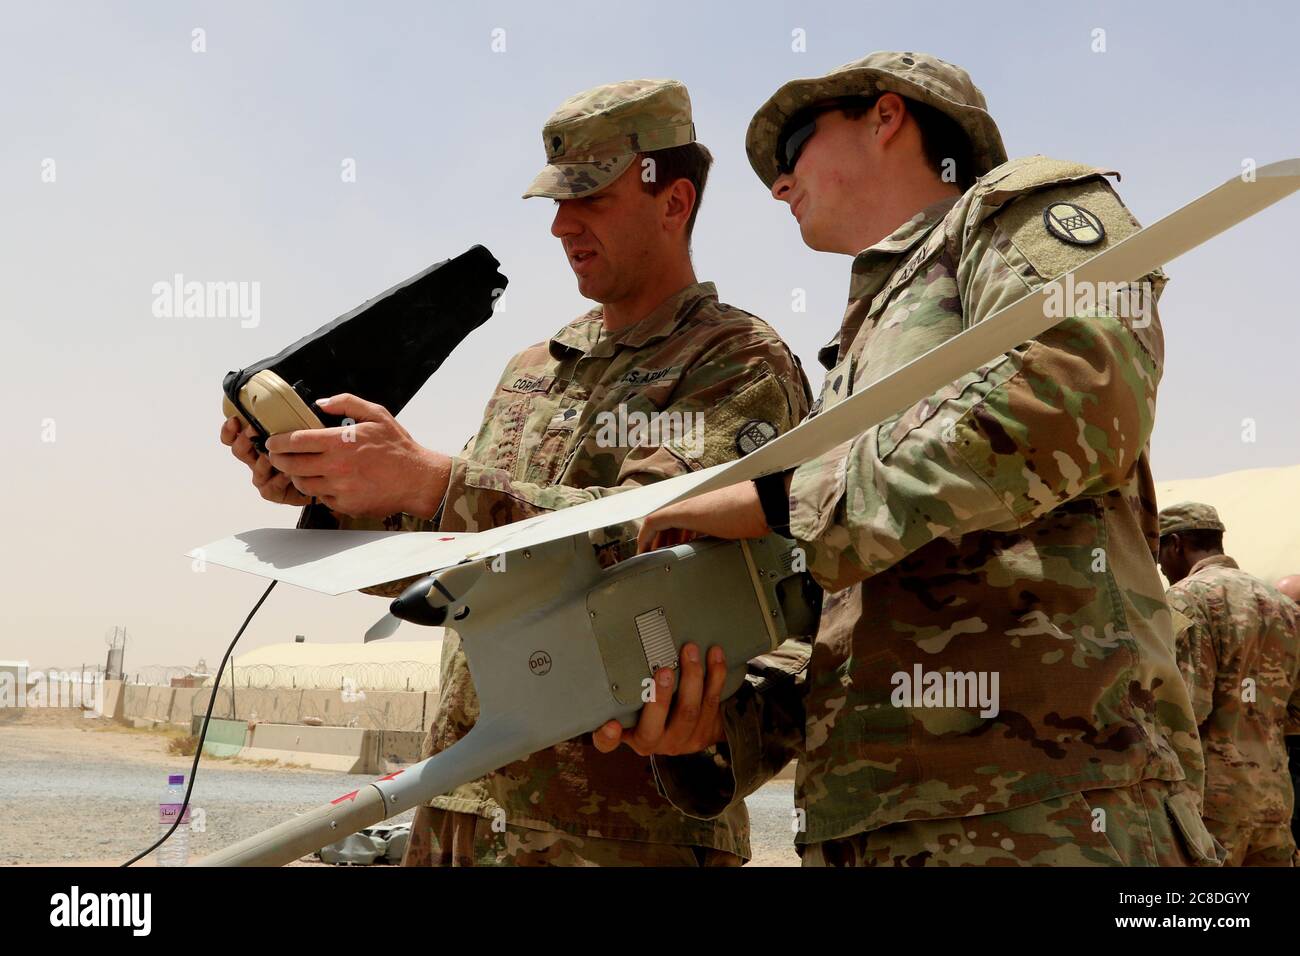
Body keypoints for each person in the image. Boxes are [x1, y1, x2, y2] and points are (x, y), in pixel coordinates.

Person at [596, 50, 1221, 866]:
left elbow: (1080, 391)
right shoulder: (856, 350)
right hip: (868, 829)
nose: (779, 187)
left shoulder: (1013, 211)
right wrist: (712, 724)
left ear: (887, 118)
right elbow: (843, 613)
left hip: (1049, 814)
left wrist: (786, 497)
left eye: (791, 153)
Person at [220, 78, 810, 866]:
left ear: (673, 204)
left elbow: (656, 541)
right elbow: (455, 573)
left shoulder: (736, 362)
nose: (563, 225)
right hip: (463, 809)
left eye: (591, 198)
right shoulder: (534, 369)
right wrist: (345, 491)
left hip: (620, 836)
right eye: (557, 205)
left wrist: (433, 483)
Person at [1158, 502, 1300, 866]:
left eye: (1159, 551)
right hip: (1274, 797)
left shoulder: (1186, 598)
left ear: (1176, 545)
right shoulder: (1283, 605)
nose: (1158, 565)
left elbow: (1186, 707)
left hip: (1210, 803)